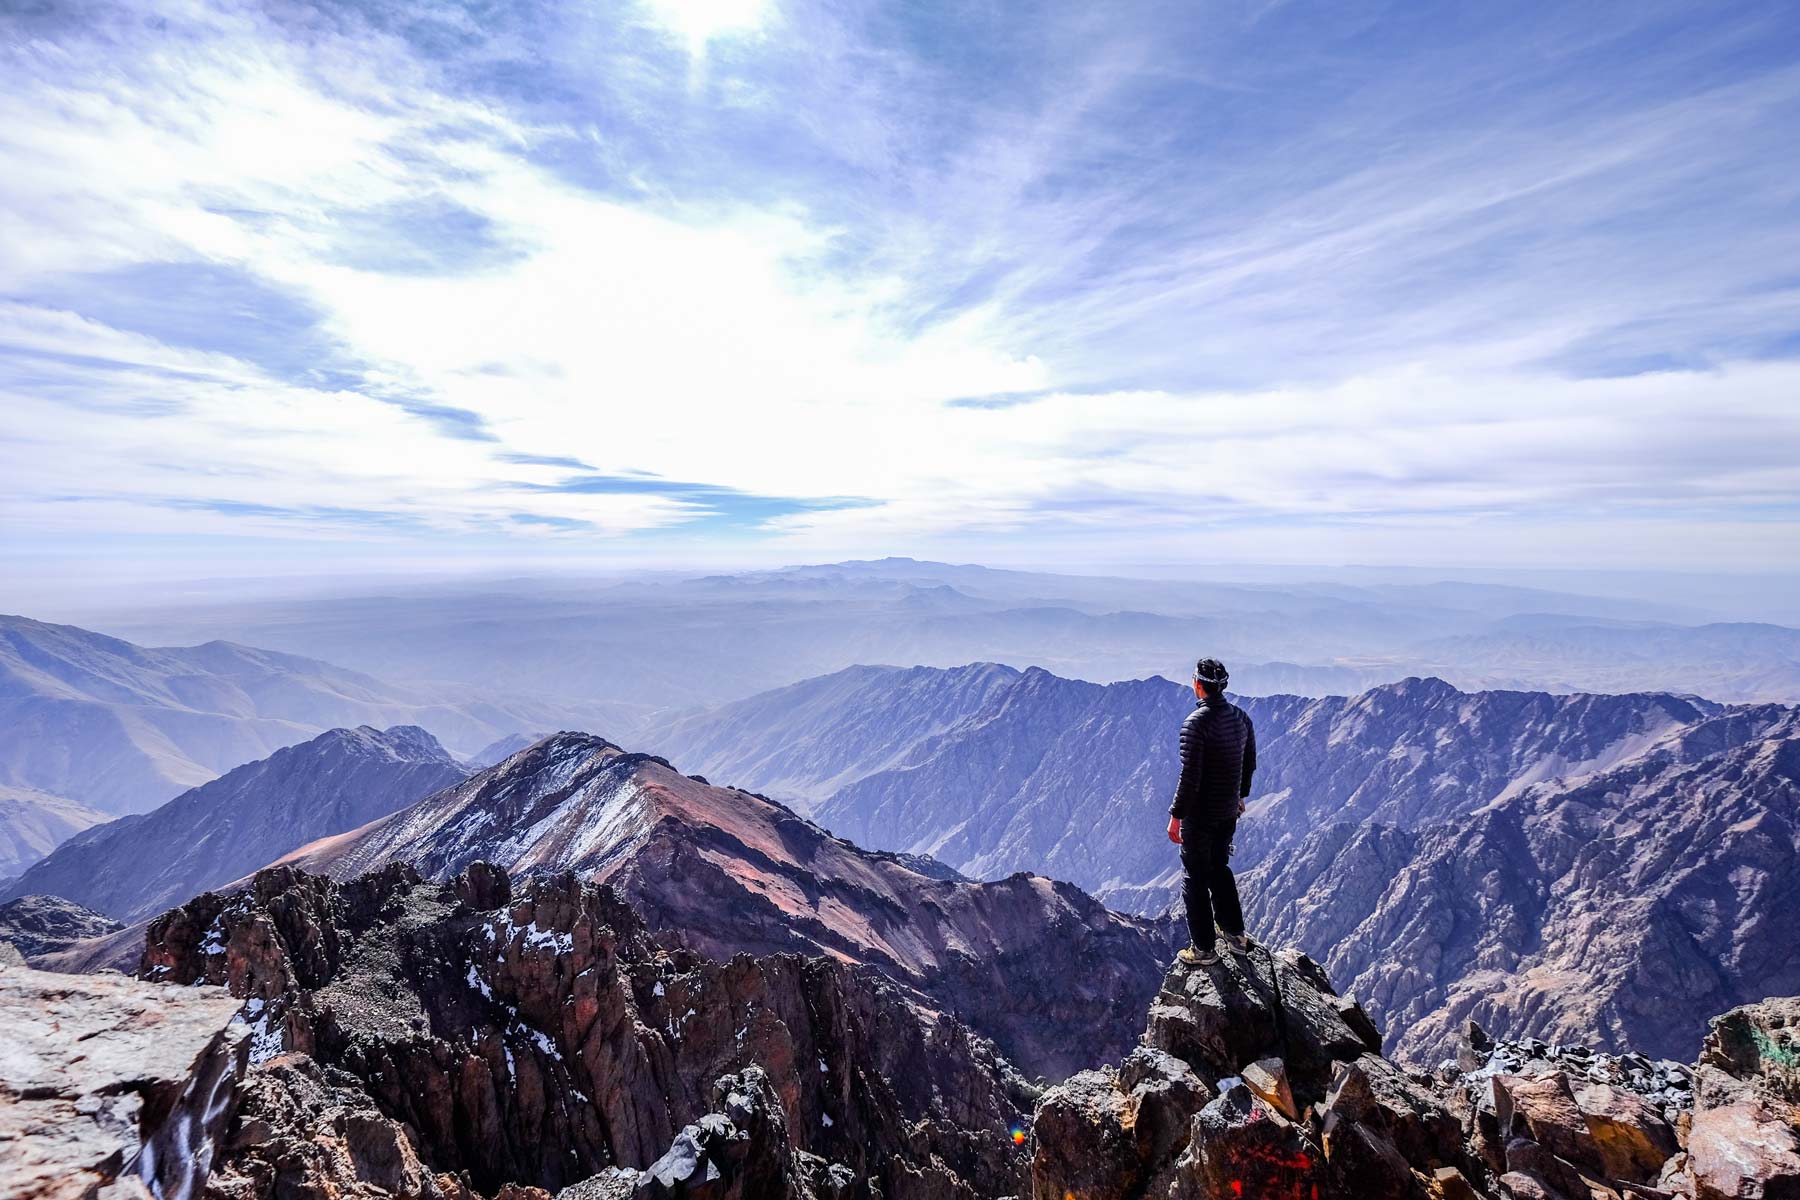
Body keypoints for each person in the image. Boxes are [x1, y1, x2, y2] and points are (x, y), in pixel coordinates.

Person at [1165, 657, 1257, 966]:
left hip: (1200, 815)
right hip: (1228, 812)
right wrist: (1240, 797)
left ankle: (1203, 949)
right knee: (1220, 870)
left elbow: (1190, 777)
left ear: (1198, 685)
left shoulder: (1195, 724)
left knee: (1194, 876)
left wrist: (1176, 816)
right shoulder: (1242, 719)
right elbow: (1249, 764)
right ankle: (1235, 935)